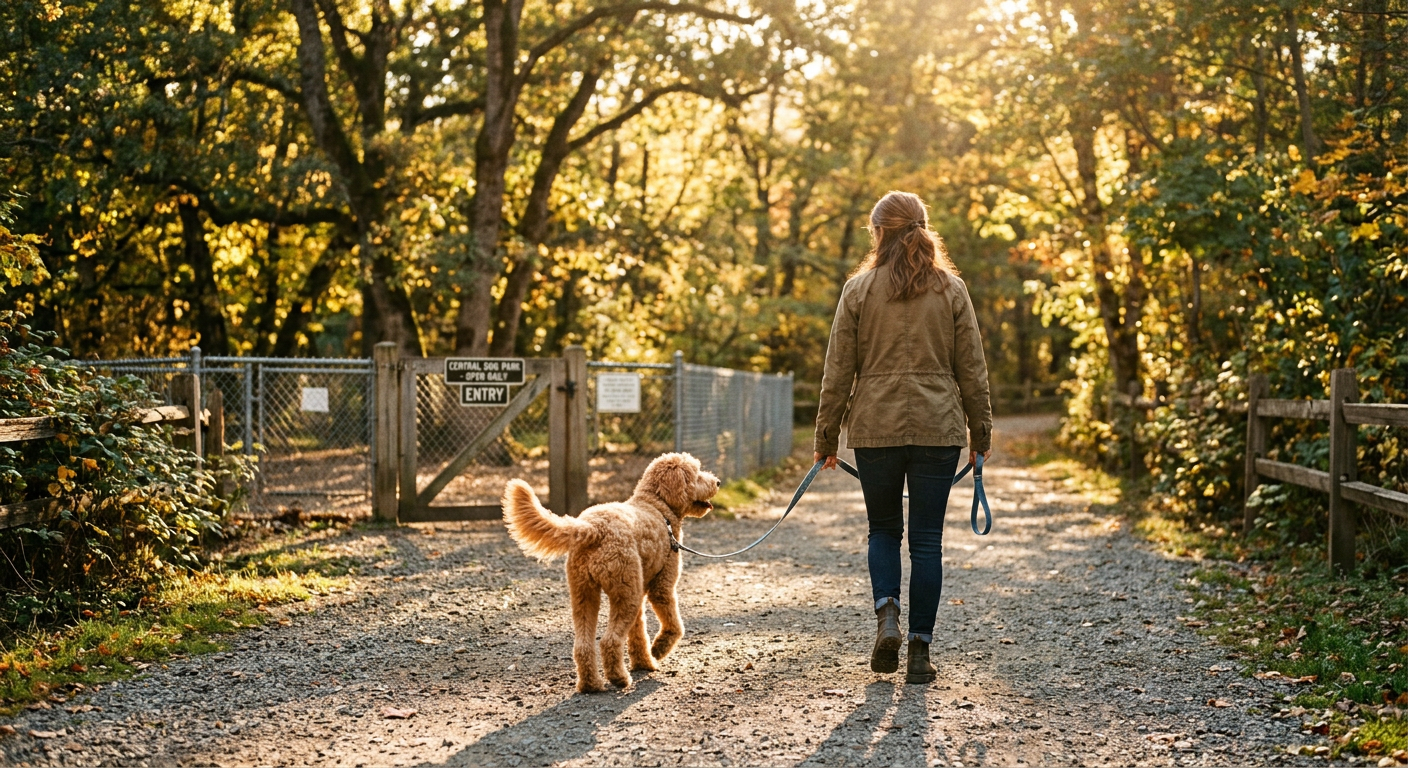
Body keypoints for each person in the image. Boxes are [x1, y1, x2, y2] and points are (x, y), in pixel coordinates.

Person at [814, 190, 993, 685]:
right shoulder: (952, 290)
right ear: (923, 229)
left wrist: (826, 437)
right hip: (938, 427)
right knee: (928, 541)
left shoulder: (858, 290)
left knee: (883, 530)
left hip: (875, 428)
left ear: (879, 233)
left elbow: (837, 372)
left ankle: (887, 612)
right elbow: (972, 371)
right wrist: (981, 434)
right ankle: (919, 650)